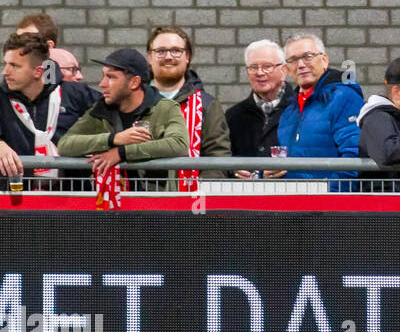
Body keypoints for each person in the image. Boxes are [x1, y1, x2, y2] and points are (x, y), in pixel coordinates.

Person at [57, 49, 187, 205]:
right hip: (110, 207)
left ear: (134, 82)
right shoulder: (101, 109)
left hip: (156, 207)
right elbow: (65, 145)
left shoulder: (164, 107)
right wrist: (113, 139)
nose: (102, 84)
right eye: (103, 76)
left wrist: (122, 153)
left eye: (111, 77)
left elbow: (179, 144)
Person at [0, 32, 99, 181]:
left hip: (70, 197)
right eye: (6, 64)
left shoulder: (76, 95)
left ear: (38, 71)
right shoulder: (1, 98)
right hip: (14, 197)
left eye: (14, 66)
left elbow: (117, 116)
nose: (5, 72)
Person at [147, 26, 231, 184]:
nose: (168, 56)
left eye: (176, 50)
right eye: (161, 51)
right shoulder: (134, 100)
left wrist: (200, 195)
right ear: (150, 57)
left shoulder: (207, 105)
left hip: (190, 201)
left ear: (187, 57)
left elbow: (217, 156)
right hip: (138, 199)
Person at [277, 33, 365, 181]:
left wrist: (329, 196)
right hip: (296, 199)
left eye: (308, 56)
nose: (300, 65)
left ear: (324, 60)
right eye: (293, 60)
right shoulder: (288, 112)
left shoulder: (344, 98)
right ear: (286, 69)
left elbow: (354, 157)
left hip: (330, 200)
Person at [226, 40, 294, 178]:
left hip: (291, 194)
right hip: (246, 196)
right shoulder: (233, 116)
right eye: (253, 67)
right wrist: (233, 171)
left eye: (267, 66)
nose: (259, 72)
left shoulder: (300, 110)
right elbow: (222, 156)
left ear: (284, 71)